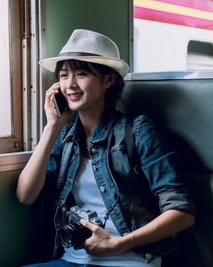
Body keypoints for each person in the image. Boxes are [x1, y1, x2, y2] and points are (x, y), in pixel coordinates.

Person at [16, 29, 195, 267]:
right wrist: (52, 128)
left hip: (132, 259)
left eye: (81, 74)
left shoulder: (138, 131)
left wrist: (118, 244)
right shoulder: (66, 136)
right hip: (73, 259)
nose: (70, 84)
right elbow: (25, 195)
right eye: (63, 75)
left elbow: (183, 213)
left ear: (108, 80)